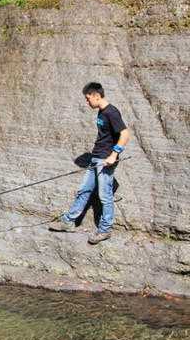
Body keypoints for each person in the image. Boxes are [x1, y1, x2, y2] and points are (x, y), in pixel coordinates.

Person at [50, 82, 130, 244]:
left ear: (96, 96)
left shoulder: (111, 112)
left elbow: (125, 134)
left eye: (88, 99)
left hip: (105, 159)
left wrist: (114, 155)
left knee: (104, 195)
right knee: (84, 190)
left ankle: (105, 230)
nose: (87, 102)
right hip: (96, 157)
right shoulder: (101, 112)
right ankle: (68, 222)